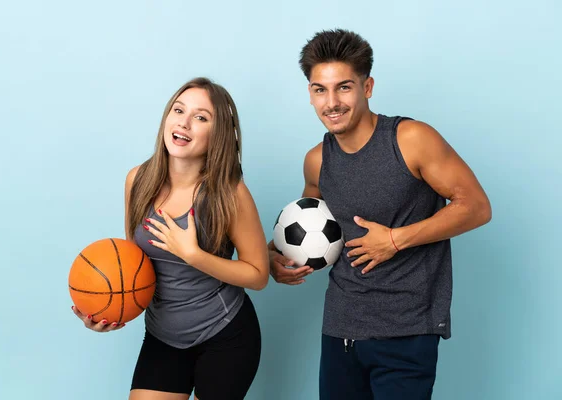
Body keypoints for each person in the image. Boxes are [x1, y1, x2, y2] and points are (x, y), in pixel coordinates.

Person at [268, 29, 492, 400]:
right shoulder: (317, 161)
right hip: (340, 328)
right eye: (320, 89)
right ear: (310, 93)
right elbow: (305, 225)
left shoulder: (410, 139)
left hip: (407, 328)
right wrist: (275, 256)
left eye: (344, 87)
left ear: (367, 87)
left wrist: (393, 239)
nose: (332, 102)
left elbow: (476, 206)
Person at [72, 77, 270, 400]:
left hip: (225, 333)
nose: (184, 122)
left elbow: (259, 275)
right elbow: (136, 267)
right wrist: (107, 306)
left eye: (201, 117)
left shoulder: (229, 194)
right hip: (163, 335)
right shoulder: (137, 181)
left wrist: (195, 255)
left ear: (217, 135)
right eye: (178, 110)